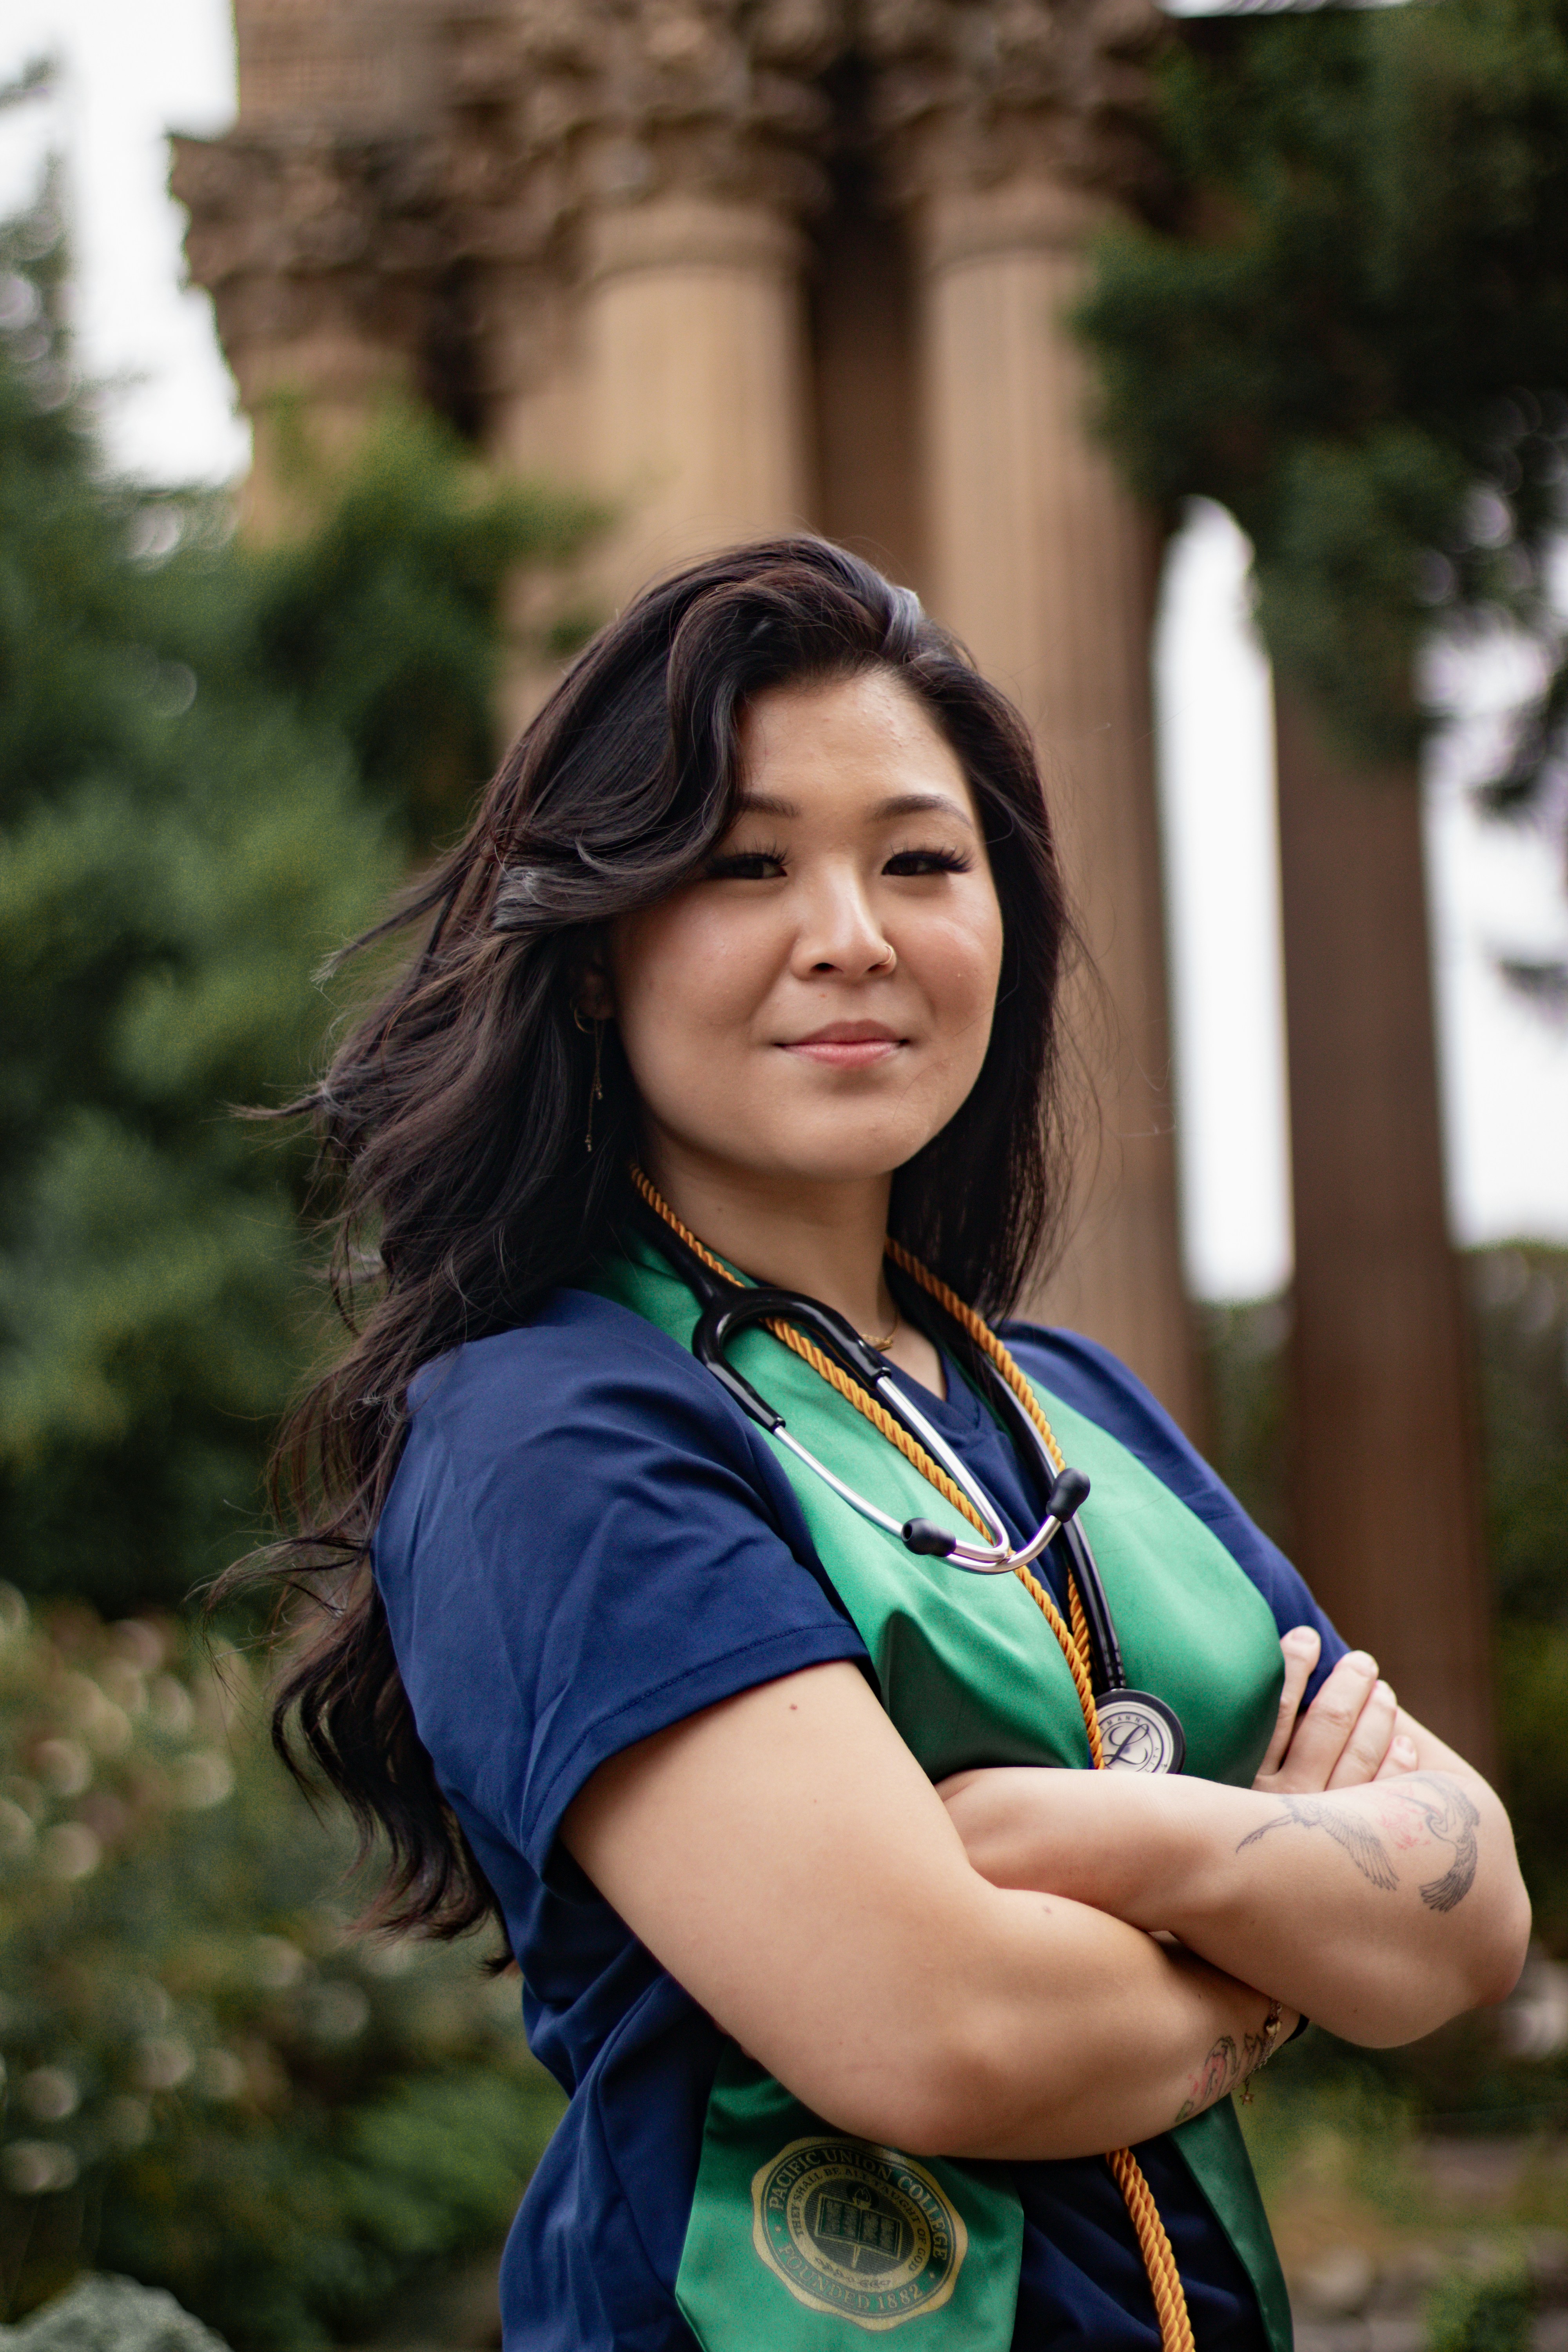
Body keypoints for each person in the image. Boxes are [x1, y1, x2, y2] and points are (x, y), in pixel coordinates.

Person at [254, 540, 1529, 2352]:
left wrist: (1103, 1852)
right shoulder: (553, 1422)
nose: (849, 932)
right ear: (602, 946)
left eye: (919, 861)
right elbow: (942, 2034)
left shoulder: (1064, 1403)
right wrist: (1279, 1903)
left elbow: (1464, 1914)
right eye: (745, 862)